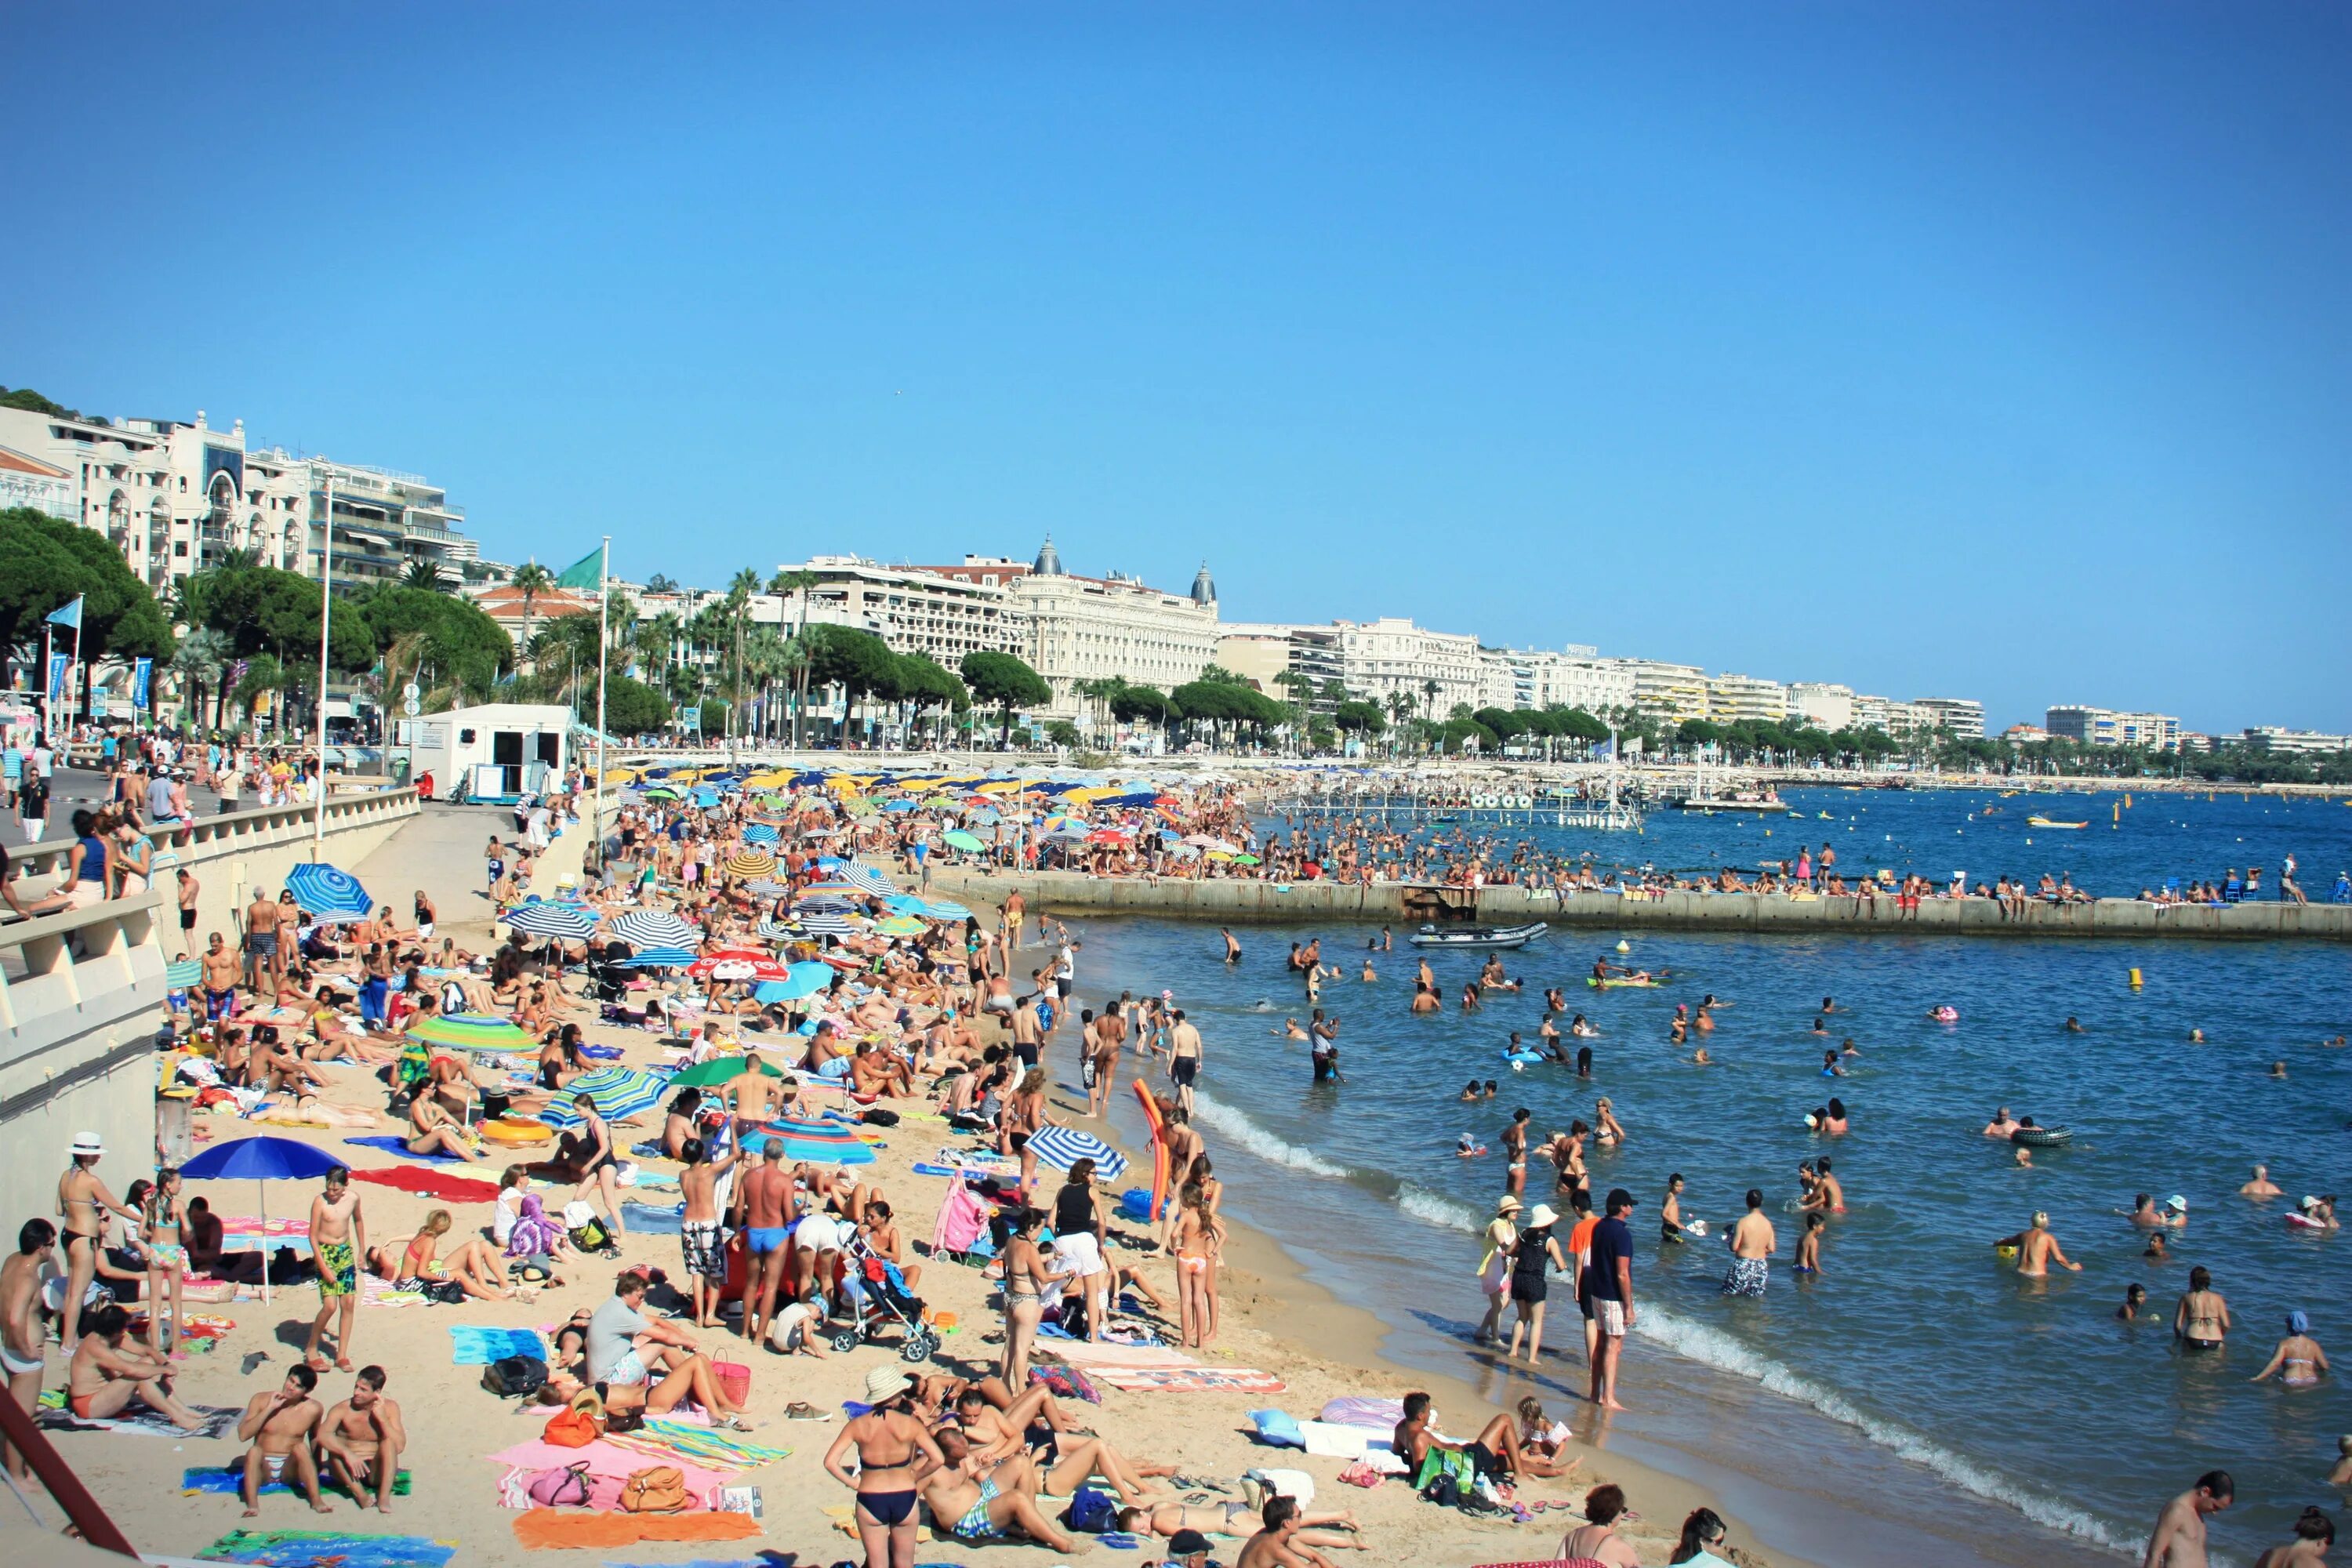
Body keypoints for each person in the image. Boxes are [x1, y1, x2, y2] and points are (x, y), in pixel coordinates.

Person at [587, 1270, 752, 1426]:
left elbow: (658, 1321)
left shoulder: (617, 1306)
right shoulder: (620, 1313)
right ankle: (695, 1380)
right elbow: (663, 1336)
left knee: (682, 1351)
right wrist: (687, 1342)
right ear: (625, 1293)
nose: (642, 1301)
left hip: (611, 1372)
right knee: (663, 1343)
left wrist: (685, 1337)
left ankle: (719, 1398)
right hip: (610, 1381)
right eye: (640, 1297)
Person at [823, 1366, 946, 1568]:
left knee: (877, 1564)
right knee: (905, 1564)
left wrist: (854, 1483)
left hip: (871, 1497)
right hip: (904, 1495)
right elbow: (937, 1459)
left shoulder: (858, 1425)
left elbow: (830, 1462)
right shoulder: (910, 1424)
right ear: (896, 1393)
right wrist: (915, 1475)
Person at [57, 1131, 139, 1352]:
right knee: (78, 1292)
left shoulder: (66, 1176)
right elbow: (118, 1207)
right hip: (84, 1238)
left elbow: (59, 1209)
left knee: (72, 1292)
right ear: (88, 1156)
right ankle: (68, 1343)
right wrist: (144, 1219)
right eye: (96, 1154)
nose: (99, 1158)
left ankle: (68, 1338)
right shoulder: (91, 1181)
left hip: (68, 1235)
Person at [68, 1302, 204, 1432]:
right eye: (124, 1328)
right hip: (89, 1405)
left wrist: (166, 1365)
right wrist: (166, 1370)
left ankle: (182, 1410)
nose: (126, 1331)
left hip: (104, 1394)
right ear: (115, 1330)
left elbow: (148, 1351)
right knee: (138, 1376)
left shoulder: (109, 1336)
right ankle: (178, 1417)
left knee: (148, 1361)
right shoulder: (96, 1347)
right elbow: (131, 1370)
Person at [236, 1364, 331, 1516]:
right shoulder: (261, 1399)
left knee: (301, 1448)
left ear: (307, 1391)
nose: (291, 1387)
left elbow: (315, 1438)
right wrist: (269, 1409)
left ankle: (316, 1501)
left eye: (298, 1386)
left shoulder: (313, 1409)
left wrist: (317, 1466)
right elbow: (243, 1435)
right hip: (263, 1467)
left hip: (289, 1468)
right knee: (254, 1451)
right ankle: (253, 1505)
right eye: (290, 1380)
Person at [2, 1221, 56, 1480]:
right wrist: (28, 1350)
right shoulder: (28, 1279)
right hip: (24, 1356)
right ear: (40, 1247)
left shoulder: (12, 1262)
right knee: (23, 1421)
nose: (52, 1251)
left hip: (9, 1349)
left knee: (12, 1414)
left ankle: (10, 1463)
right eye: (52, 1245)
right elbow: (15, 1318)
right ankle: (16, 1475)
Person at [318, 1364, 405, 1514]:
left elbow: (400, 1445)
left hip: (374, 1470)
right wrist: (348, 1453)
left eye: (363, 1390)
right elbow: (322, 1435)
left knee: (388, 1442)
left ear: (377, 1392)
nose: (356, 1393)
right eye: (356, 1387)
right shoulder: (342, 1409)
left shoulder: (390, 1408)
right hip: (347, 1470)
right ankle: (361, 1496)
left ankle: (383, 1498)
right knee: (335, 1448)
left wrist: (383, 1419)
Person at [303, 1167, 366, 1373]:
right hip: (326, 1253)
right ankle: (312, 1347)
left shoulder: (353, 1198)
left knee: (348, 1303)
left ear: (345, 1186)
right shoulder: (320, 1202)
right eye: (329, 1189)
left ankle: (342, 1354)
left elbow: (358, 1220)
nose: (332, 1193)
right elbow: (312, 1236)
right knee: (330, 1306)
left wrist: (362, 1250)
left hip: (345, 1252)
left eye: (336, 1190)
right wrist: (322, 1266)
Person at [677, 1137, 742, 1329]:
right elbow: (736, 1155)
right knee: (715, 1272)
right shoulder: (709, 1171)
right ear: (702, 1154)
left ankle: (698, 1316)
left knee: (696, 1272)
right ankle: (710, 1315)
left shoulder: (683, 1175)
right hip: (707, 1224)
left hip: (688, 1224)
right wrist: (732, 1128)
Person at [1588, 1189, 1637, 1410]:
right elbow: (1622, 1273)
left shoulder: (1599, 1226)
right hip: (1612, 1296)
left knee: (1601, 1344)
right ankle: (1608, 1398)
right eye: (1629, 1205)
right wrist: (1629, 1307)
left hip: (1597, 1291)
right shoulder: (1622, 1234)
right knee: (1613, 1346)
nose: (1632, 1208)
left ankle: (1594, 1393)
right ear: (1622, 1208)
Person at [997, 1206, 1054, 1391]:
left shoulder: (1012, 1240)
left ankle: (1005, 1385)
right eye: (1040, 1228)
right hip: (1026, 1300)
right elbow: (1043, 1278)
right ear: (1031, 1227)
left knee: (1009, 1346)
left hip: (1010, 1296)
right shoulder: (1029, 1248)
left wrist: (1052, 1256)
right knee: (1022, 1349)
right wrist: (1066, 1274)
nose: (1041, 1232)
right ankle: (1021, 1391)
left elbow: (1025, 1263)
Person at [1504, 1203, 1564, 1363]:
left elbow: (1509, 1251)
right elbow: (1561, 1264)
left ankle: (1513, 1351)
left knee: (1521, 1317)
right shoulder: (1549, 1240)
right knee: (1536, 1321)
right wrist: (1559, 1269)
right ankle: (1531, 1358)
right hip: (1535, 1281)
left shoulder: (1523, 1233)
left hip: (1519, 1277)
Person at [2143, 1471, 2232, 1568]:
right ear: (2205, 1491)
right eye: (2215, 1506)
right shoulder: (2177, 1511)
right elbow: (2153, 1555)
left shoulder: (2198, 1516)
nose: (2215, 1513)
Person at [1237, 1495, 1348, 1568]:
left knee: (1317, 1566)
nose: (1300, 1519)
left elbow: (1314, 1556)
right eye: (1298, 1516)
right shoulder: (1276, 1549)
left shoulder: (1270, 1533)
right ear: (1287, 1523)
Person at [1559, 1483, 1643, 1566]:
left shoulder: (1572, 1536)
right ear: (1614, 1511)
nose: (1623, 1514)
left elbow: (1557, 1564)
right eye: (1623, 1510)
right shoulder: (1617, 1545)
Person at [1475, 1196, 1520, 1345]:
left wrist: (1519, 1261)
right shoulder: (1496, 1226)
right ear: (1506, 1211)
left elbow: (1513, 1249)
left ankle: (1482, 1330)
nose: (1517, 1213)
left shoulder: (1511, 1225)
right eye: (1514, 1210)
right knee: (1498, 1305)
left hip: (1504, 1270)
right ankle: (1496, 1338)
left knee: (1504, 1303)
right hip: (1492, 1270)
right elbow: (1504, 1246)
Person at [1724, 1188, 1775, 1297]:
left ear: (1747, 1202)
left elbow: (1734, 1247)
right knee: (1755, 1300)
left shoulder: (1743, 1222)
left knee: (1729, 1297)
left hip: (1743, 1264)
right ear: (1762, 1202)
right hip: (1761, 1266)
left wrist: (1730, 1237)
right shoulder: (1768, 1223)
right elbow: (1771, 1249)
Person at [2252, 1312, 2326, 1386]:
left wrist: (2258, 1377)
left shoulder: (2284, 1344)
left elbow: (2275, 1363)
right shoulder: (2313, 1345)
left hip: (2292, 1380)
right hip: (2311, 1379)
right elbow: (2324, 1366)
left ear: (2289, 1325)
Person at [2174, 1266, 2230, 1351]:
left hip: (2193, 1338)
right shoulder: (2218, 1298)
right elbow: (2226, 1325)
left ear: (2192, 1281)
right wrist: (2220, 1336)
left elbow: (2177, 1326)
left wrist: (2179, 1339)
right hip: (2215, 1339)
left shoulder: (2186, 1298)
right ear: (2208, 1281)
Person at [1671, 1505, 1737, 1566]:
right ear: (1702, 1541)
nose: (1723, 1544)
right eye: (1719, 1541)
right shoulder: (1713, 1565)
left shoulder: (1678, 1561)